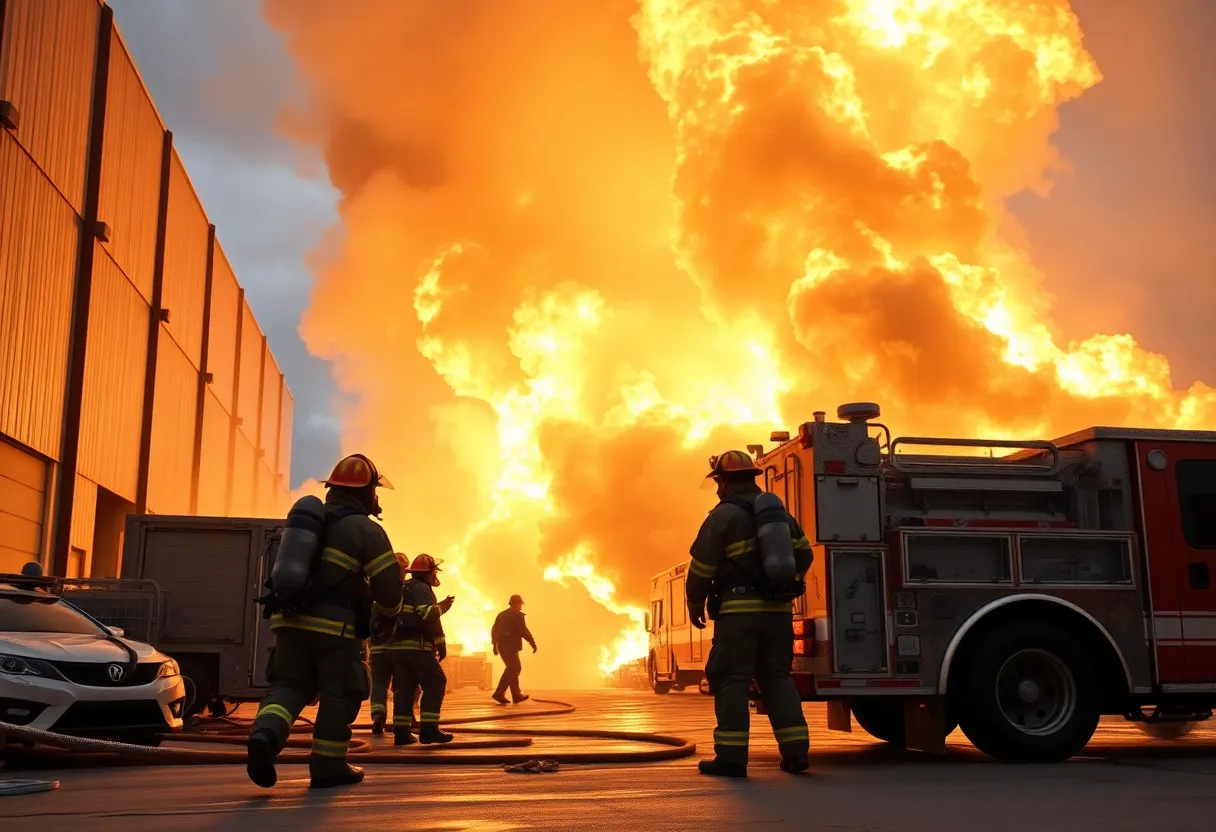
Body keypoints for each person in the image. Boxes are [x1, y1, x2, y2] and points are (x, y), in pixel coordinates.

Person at [246, 453, 403, 790]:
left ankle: (265, 736)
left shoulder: (308, 526)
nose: (375, 498)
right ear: (362, 493)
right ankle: (328, 765)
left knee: (289, 687)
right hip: (336, 631)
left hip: (289, 624)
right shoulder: (365, 530)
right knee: (338, 693)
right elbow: (389, 588)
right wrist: (387, 619)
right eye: (373, 491)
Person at [687, 449, 813, 778]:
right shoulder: (780, 516)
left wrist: (694, 602)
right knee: (777, 678)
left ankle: (731, 758)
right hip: (778, 612)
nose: (717, 489)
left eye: (719, 482)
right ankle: (796, 752)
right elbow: (804, 556)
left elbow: (701, 567)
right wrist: (781, 582)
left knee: (732, 680)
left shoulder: (722, 516)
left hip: (738, 614)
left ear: (726, 481)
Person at [389, 553, 455, 744]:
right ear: (428, 572)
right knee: (436, 682)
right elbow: (428, 615)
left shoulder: (404, 587)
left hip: (398, 647)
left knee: (405, 688)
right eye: (433, 570)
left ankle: (401, 734)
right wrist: (443, 606)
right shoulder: (421, 588)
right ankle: (429, 730)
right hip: (417, 646)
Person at [369, 553, 419, 737]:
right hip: (397, 647)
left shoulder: (375, 587)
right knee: (405, 684)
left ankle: (378, 716)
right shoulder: (407, 590)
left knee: (379, 683)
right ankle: (408, 718)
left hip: (376, 647)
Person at [490, 595, 536, 705]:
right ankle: (502, 693)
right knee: (514, 668)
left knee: (513, 668)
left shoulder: (501, 615)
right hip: (510, 646)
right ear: (517, 603)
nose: (521, 606)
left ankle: (514, 695)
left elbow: (494, 630)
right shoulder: (517, 615)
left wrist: (495, 644)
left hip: (502, 646)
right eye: (520, 603)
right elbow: (523, 630)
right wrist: (532, 642)